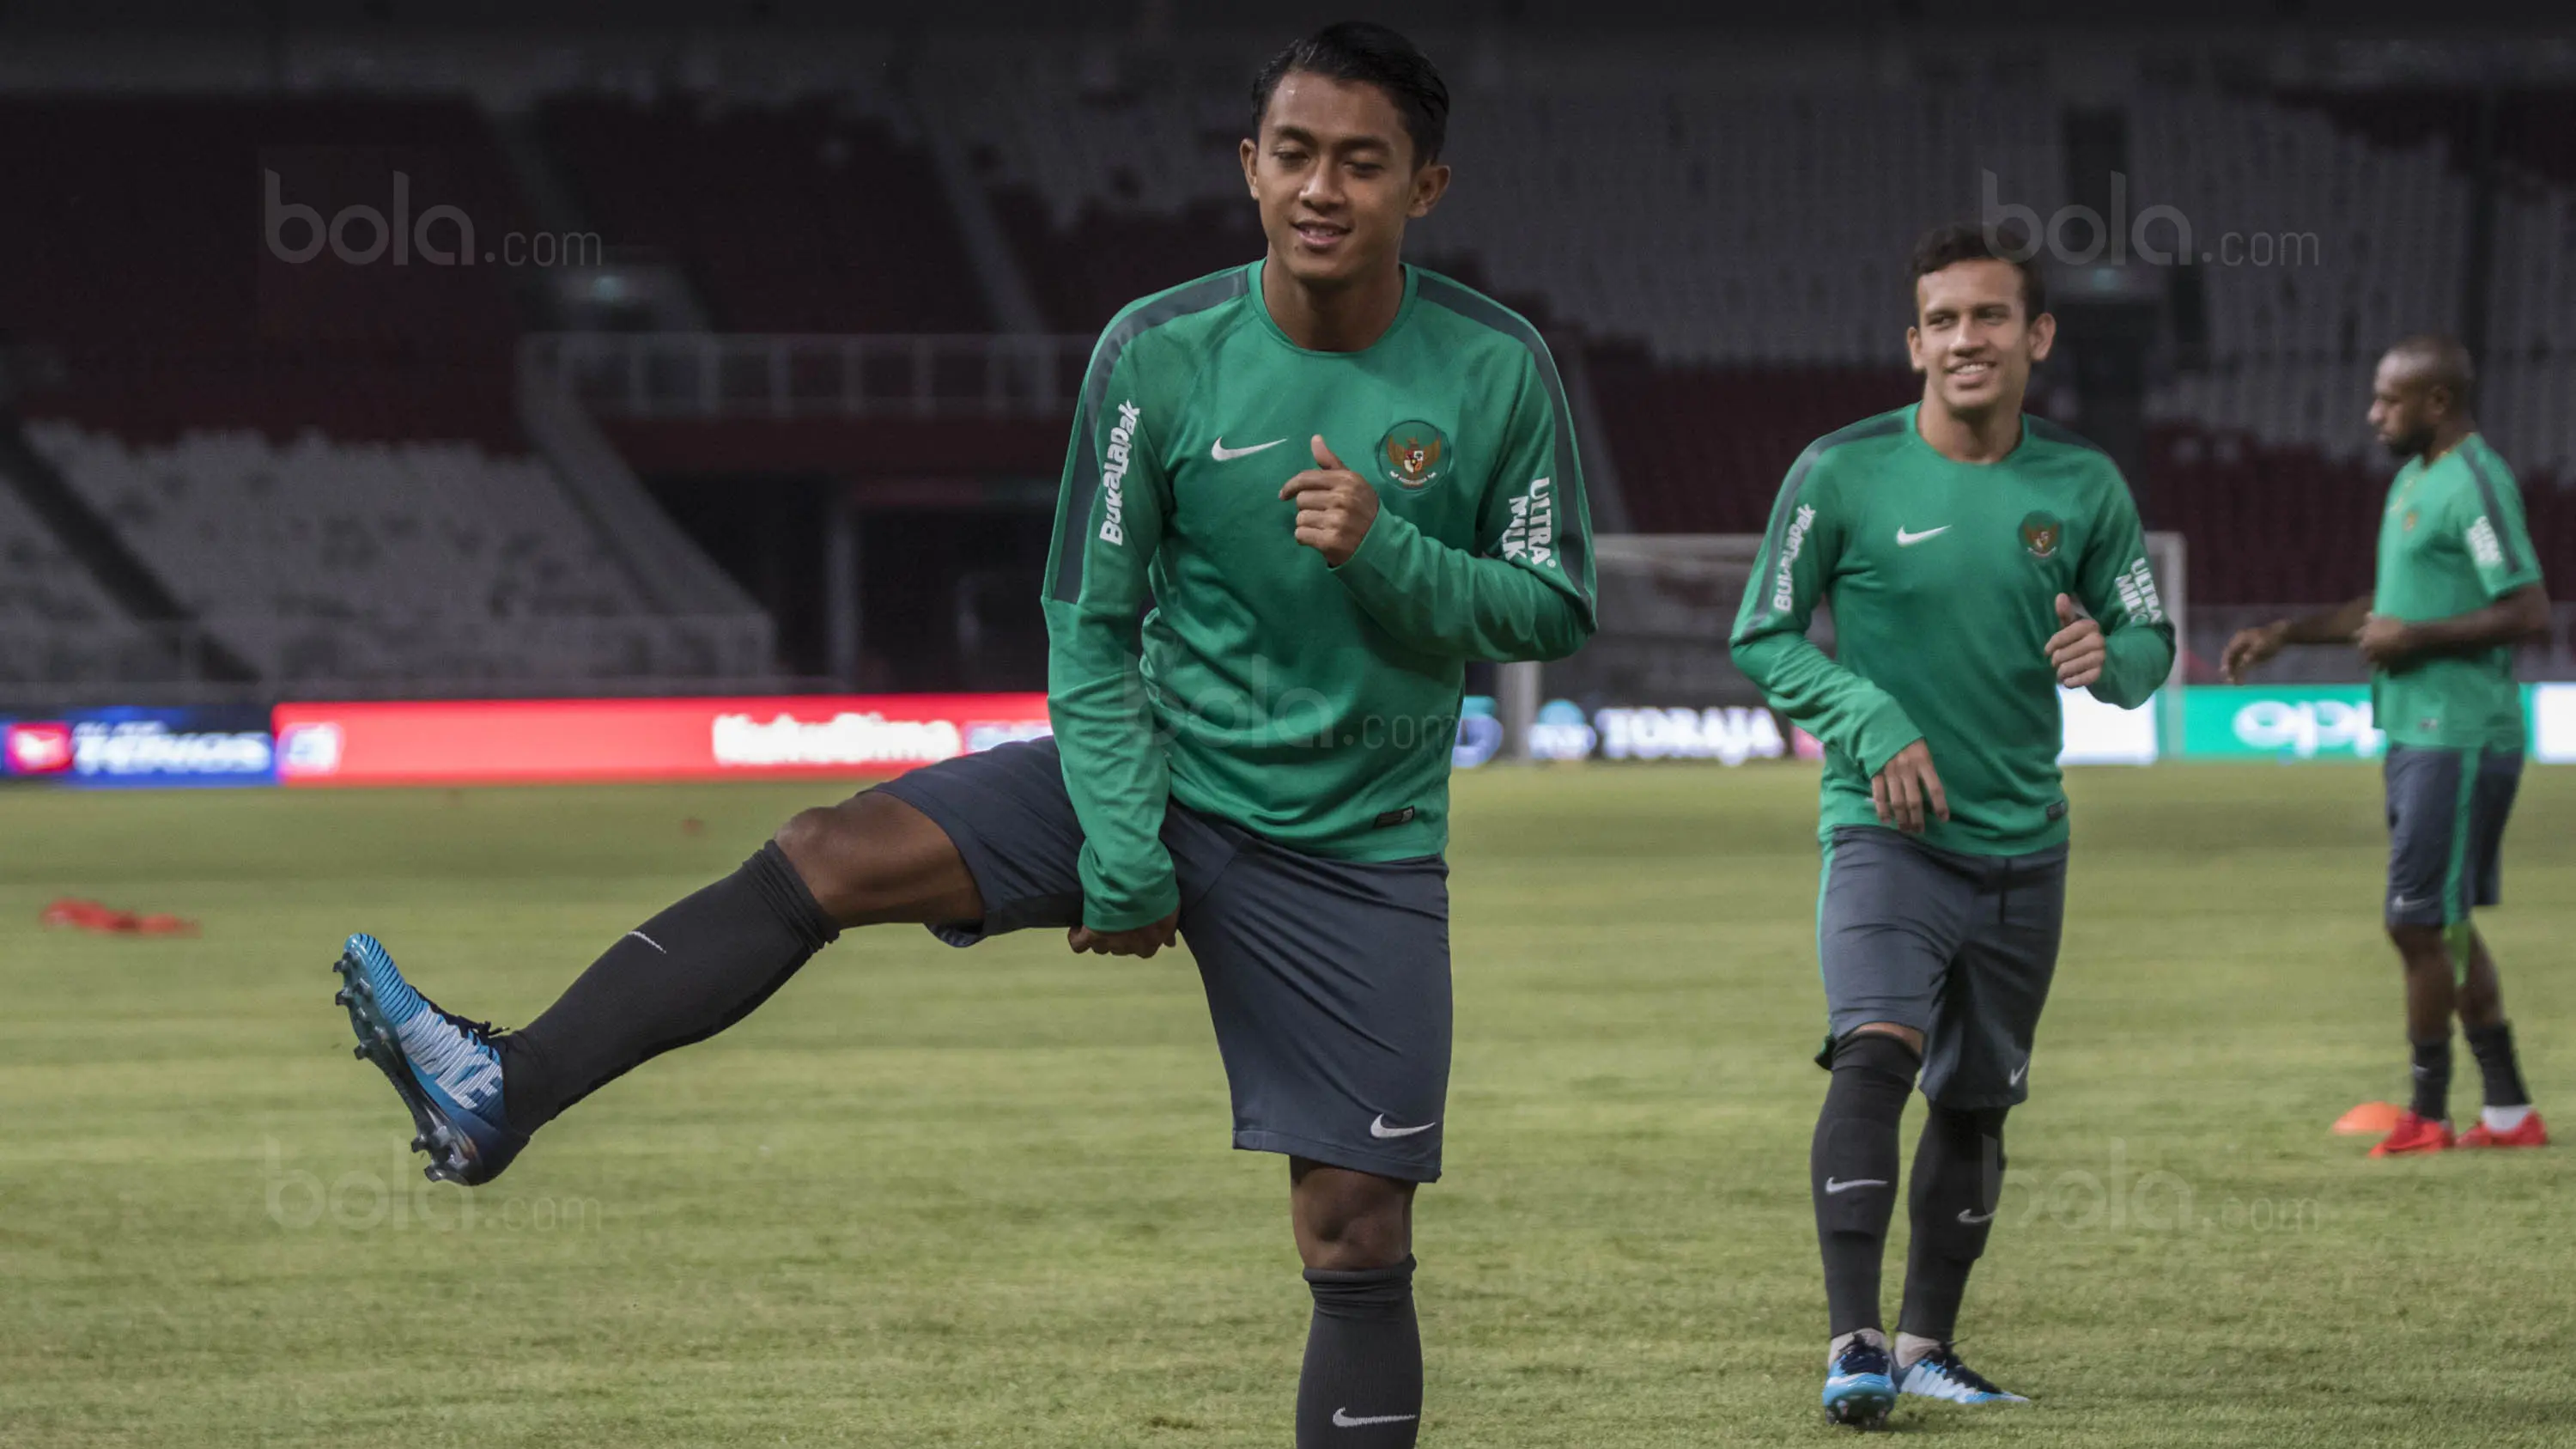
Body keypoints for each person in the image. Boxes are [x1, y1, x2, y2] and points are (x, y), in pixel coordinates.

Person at [328, 21, 1593, 1447]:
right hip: (1162, 771)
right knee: (830, 849)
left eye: (1363, 164)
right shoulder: (1159, 355)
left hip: (1355, 849)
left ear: (1424, 188)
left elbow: (1552, 607)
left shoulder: (1496, 369)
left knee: (1352, 1229)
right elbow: (1090, 622)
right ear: (1248, 166)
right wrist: (1125, 844)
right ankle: (509, 1087)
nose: (1321, 189)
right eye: (1294, 154)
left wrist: (1389, 553)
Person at [1730, 222, 2174, 1427]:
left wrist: (2110, 653)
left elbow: (2149, 648)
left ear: (2036, 337)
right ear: (1913, 339)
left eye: (1988, 317)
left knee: (1977, 1100)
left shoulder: (2085, 485)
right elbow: (1761, 633)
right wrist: (1866, 713)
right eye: (1941, 320)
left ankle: (1929, 1342)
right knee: (1875, 1047)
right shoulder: (1839, 471)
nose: (1963, 339)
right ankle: (1854, 1341)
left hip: (2027, 839)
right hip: (1888, 830)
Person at [2222, 335, 2549, 1157]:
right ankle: (2509, 1113)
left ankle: (2429, 1114)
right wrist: (2286, 633)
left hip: (2460, 732)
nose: (2373, 415)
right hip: (2414, 728)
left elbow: (2527, 607)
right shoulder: (2414, 481)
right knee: (2447, 925)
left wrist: (2420, 637)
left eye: (2388, 400)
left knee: (2414, 924)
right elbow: (2384, 607)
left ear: (2436, 402)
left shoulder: (2476, 483)